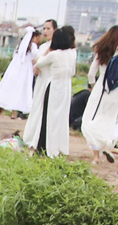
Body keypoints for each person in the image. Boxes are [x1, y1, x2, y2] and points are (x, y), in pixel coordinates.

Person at [22, 25, 78, 157]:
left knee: (47, 117)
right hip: (66, 88)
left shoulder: (53, 54)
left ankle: (44, 145)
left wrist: (47, 51)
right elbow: (73, 71)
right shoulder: (72, 54)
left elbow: (39, 63)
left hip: (53, 86)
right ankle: (58, 146)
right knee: (60, 118)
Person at [81, 25, 118, 163]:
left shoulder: (101, 48)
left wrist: (94, 86)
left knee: (95, 118)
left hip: (100, 89)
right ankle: (108, 147)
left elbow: (91, 73)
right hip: (116, 91)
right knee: (113, 120)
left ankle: (96, 156)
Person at [0, 23, 44, 116]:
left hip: (18, 70)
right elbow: (37, 56)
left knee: (17, 89)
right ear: (36, 37)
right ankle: (22, 111)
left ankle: (14, 112)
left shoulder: (20, 46)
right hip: (27, 70)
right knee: (26, 89)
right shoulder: (33, 46)